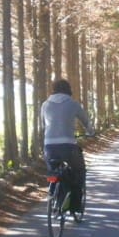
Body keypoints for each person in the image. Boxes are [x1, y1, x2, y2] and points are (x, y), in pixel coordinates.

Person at [41, 79, 94, 211]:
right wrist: (91, 132)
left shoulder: (45, 105)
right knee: (79, 170)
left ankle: (52, 191)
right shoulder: (73, 104)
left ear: (53, 90)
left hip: (49, 147)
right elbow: (86, 121)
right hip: (68, 146)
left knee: (53, 171)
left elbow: (43, 125)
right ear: (68, 90)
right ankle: (75, 205)